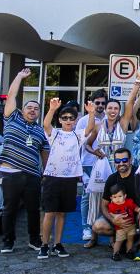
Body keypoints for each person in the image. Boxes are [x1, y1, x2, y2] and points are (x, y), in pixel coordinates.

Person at [83, 80, 140, 249]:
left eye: (116, 108)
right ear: (106, 109)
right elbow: (87, 144)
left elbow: (130, 103)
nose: (113, 111)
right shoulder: (98, 126)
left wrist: (136, 84)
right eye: (110, 108)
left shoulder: (122, 124)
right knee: (95, 201)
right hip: (101, 169)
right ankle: (93, 237)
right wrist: (95, 152)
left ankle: (114, 236)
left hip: (118, 168)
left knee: (115, 202)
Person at [0, 68, 50, 254]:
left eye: (36, 109)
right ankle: (8, 241)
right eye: (29, 107)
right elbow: (11, 95)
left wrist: (45, 172)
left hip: (32, 175)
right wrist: (19, 76)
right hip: (10, 172)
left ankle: (34, 240)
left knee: (33, 210)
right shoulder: (12, 119)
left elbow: (45, 151)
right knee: (9, 209)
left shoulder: (39, 131)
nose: (33, 110)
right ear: (22, 110)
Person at [38, 98, 97, 259]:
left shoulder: (78, 135)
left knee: (63, 213)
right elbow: (46, 125)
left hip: (70, 178)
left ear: (76, 119)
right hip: (52, 177)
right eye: (65, 118)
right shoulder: (55, 133)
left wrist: (91, 113)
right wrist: (51, 109)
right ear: (60, 119)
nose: (68, 121)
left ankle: (58, 243)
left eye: (71, 118)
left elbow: (90, 128)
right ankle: (44, 244)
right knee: (50, 212)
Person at [92, 147, 140, 261]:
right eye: (117, 161)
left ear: (130, 160)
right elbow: (103, 205)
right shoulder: (112, 179)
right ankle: (120, 239)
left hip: (137, 215)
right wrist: (112, 219)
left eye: (124, 160)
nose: (121, 163)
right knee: (97, 226)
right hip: (118, 217)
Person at [77, 88, 107, 241]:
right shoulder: (83, 120)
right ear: (92, 103)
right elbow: (78, 143)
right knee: (87, 196)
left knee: (104, 196)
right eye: (97, 103)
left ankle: (102, 226)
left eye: (103, 103)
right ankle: (86, 228)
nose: (100, 105)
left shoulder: (109, 117)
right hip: (88, 163)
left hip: (105, 164)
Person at [107, 184, 138, 261]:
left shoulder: (129, 202)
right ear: (111, 198)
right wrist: (114, 216)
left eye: (120, 196)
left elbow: (135, 208)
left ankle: (129, 251)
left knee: (130, 239)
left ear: (125, 196)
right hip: (120, 228)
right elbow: (110, 213)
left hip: (131, 226)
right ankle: (115, 253)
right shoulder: (112, 206)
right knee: (119, 241)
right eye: (114, 197)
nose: (117, 199)